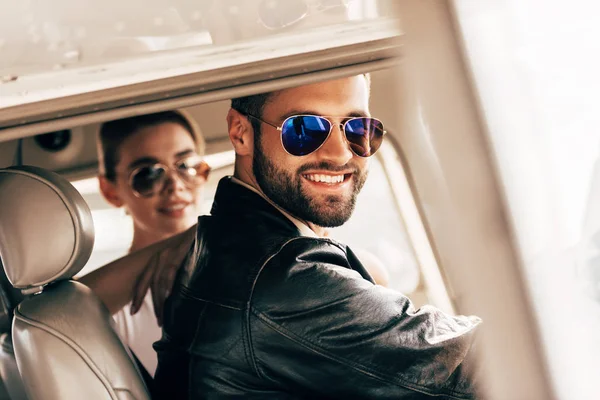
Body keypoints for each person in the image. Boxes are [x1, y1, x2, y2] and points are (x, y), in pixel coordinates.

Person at [140, 74, 482, 399]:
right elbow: (477, 372)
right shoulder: (282, 278)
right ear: (240, 132)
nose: (339, 153)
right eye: (304, 128)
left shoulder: (226, 242)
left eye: (357, 129)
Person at [81, 110, 210, 377]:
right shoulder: (107, 310)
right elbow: (54, 315)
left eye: (186, 165)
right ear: (110, 191)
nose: (175, 186)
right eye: (148, 174)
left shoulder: (245, 261)